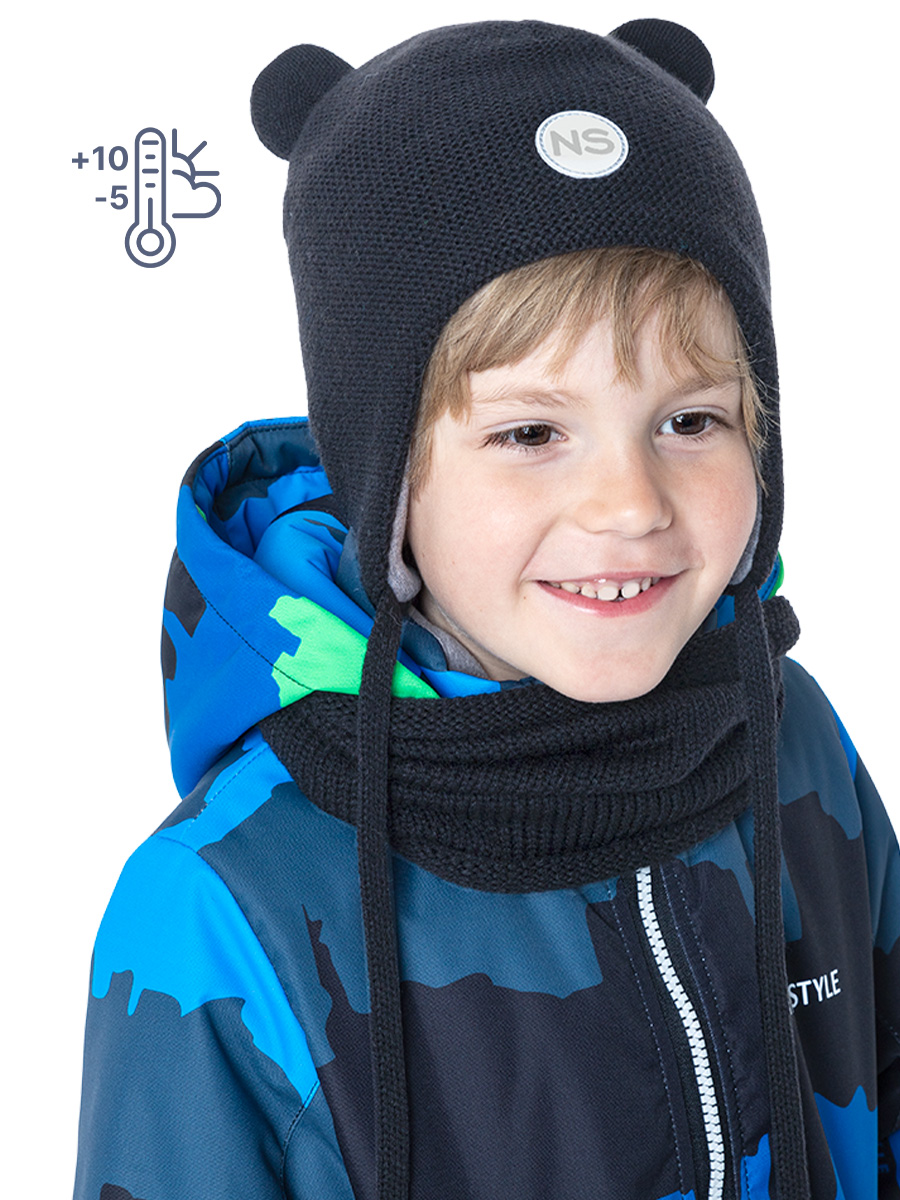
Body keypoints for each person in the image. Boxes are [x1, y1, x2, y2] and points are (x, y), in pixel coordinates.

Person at [73, 19, 900, 1200]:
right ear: (385, 479)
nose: (630, 504)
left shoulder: (789, 737)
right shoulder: (219, 909)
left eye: (691, 420)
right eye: (529, 433)